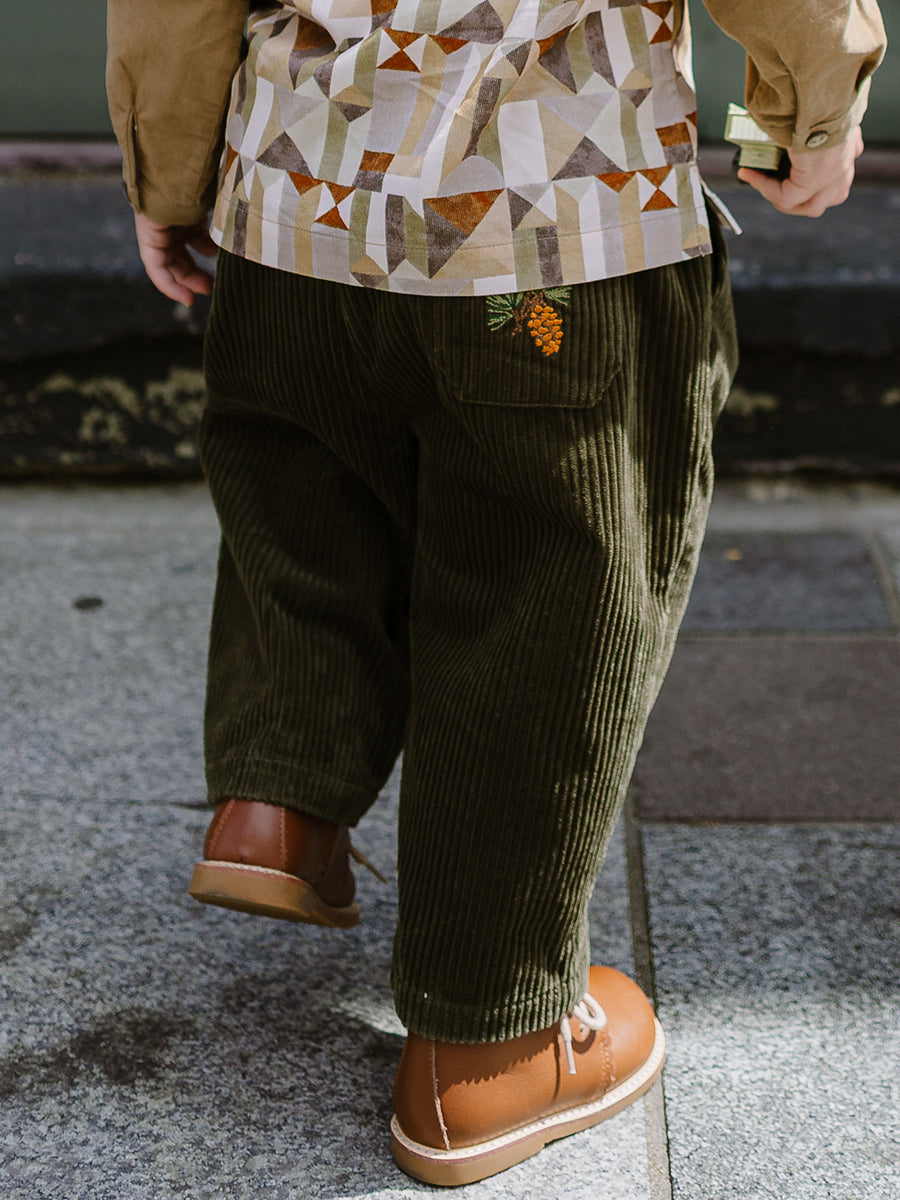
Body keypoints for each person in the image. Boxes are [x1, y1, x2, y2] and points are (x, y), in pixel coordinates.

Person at [107, 0, 884, 1186]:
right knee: (545, 593)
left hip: (297, 203)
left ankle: (281, 802)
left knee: (310, 501)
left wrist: (170, 171)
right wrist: (813, 110)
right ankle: (491, 1044)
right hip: (558, 230)